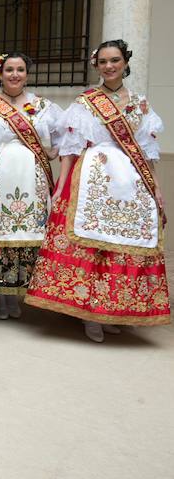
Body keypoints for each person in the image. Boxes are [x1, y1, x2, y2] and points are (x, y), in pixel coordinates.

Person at [25, 39, 170, 341]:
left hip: (130, 179)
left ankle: (112, 310)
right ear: (97, 65)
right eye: (103, 62)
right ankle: (86, 313)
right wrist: (62, 184)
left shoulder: (140, 103)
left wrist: (154, 187)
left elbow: (146, 150)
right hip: (92, 176)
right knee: (90, 244)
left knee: (118, 245)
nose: (109, 66)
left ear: (125, 62)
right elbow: (69, 147)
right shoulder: (85, 101)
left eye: (115, 60)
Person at [0, 53, 63, 319]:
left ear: (27, 73)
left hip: (31, 178)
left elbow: (66, 136)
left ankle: (18, 295)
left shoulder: (43, 106)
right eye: (9, 70)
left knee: (28, 235)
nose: (14, 74)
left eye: (20, 70)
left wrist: (52, 151)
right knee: (0, 235)